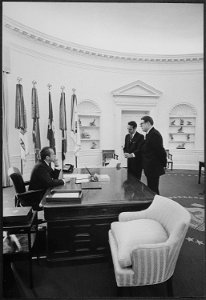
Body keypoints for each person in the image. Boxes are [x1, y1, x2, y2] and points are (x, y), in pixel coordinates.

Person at [140, 116, 167, 194]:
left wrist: (163, 164)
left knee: (153, 189)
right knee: (151, 188)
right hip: (150, 167)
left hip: (153, 168)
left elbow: (161, 151)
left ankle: (156, 205)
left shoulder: (154, 134)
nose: (141, 125)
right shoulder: (149, 134)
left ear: (148, 123)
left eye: (142, 123)